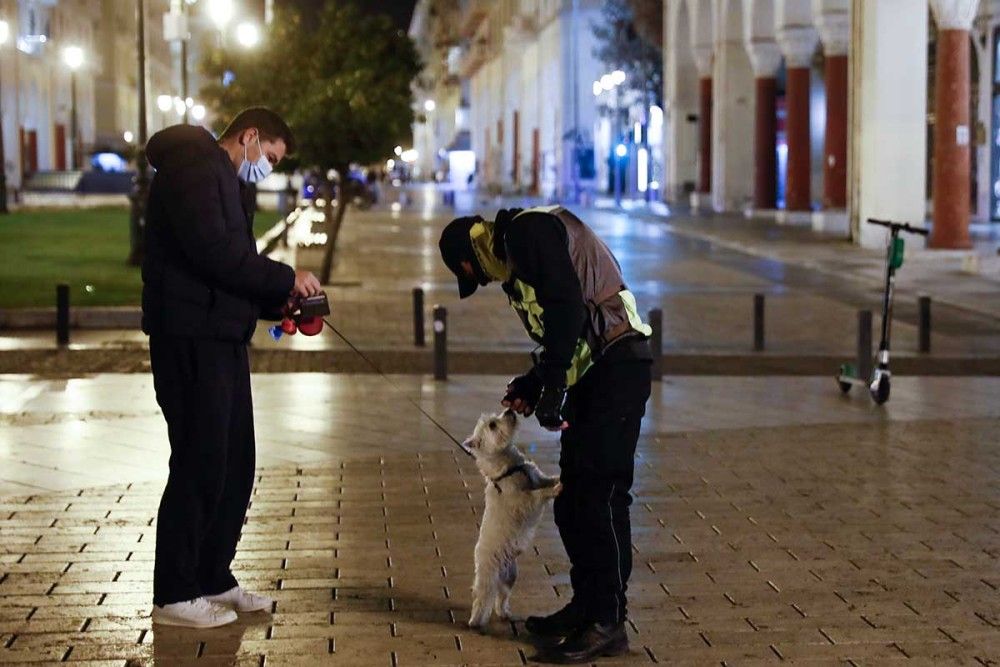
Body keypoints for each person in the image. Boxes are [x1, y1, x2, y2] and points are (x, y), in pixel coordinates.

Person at [439, 206, 652, 663]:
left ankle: (607, 622)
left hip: (617, 369)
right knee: (573, 500)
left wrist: (552, 385)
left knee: (601, 498)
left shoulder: (528, 232)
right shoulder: (517, 256)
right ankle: (585, 608)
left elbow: (569, 307)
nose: (487, 282)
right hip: (593, 375)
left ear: (469, 259)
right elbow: (562, 335)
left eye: (476, 277)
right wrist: (535, 383)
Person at [142, 107, 322, 628]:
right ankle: (174, 593)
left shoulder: (225, 179)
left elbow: (232, 271)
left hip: (221, 336)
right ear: (248, 137)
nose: (266, 167)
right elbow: (214, 254)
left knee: (235, 460)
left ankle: (212, 576)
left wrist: (277, 304)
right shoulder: (193, 169)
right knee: (199, 460)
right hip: (189, 337)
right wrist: (288, 277)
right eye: (268, 156)